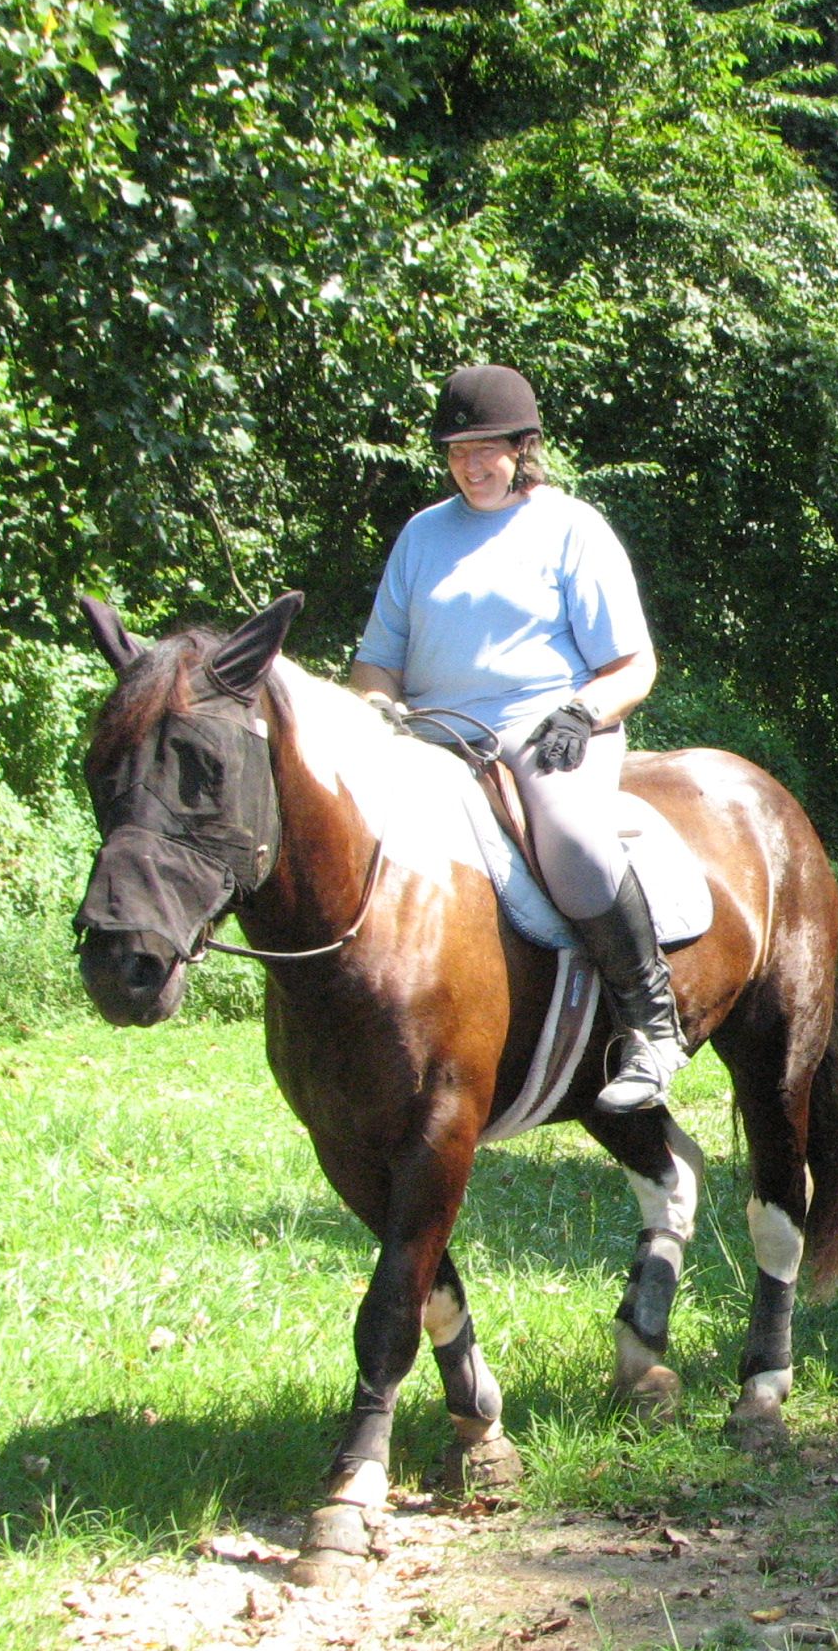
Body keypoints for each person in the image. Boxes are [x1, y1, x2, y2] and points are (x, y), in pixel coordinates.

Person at [350, 364, 683, 1114]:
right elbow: (377, 660)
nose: (471, 465)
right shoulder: (421, 535)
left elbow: (634, 666)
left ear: (524, 446)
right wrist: (374, 709)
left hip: (549, 732)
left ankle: (651, 1026)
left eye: (486, 448)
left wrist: (581, 711)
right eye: (457, 450)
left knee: (570, 836)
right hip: (434, 738)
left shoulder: (572, 528)